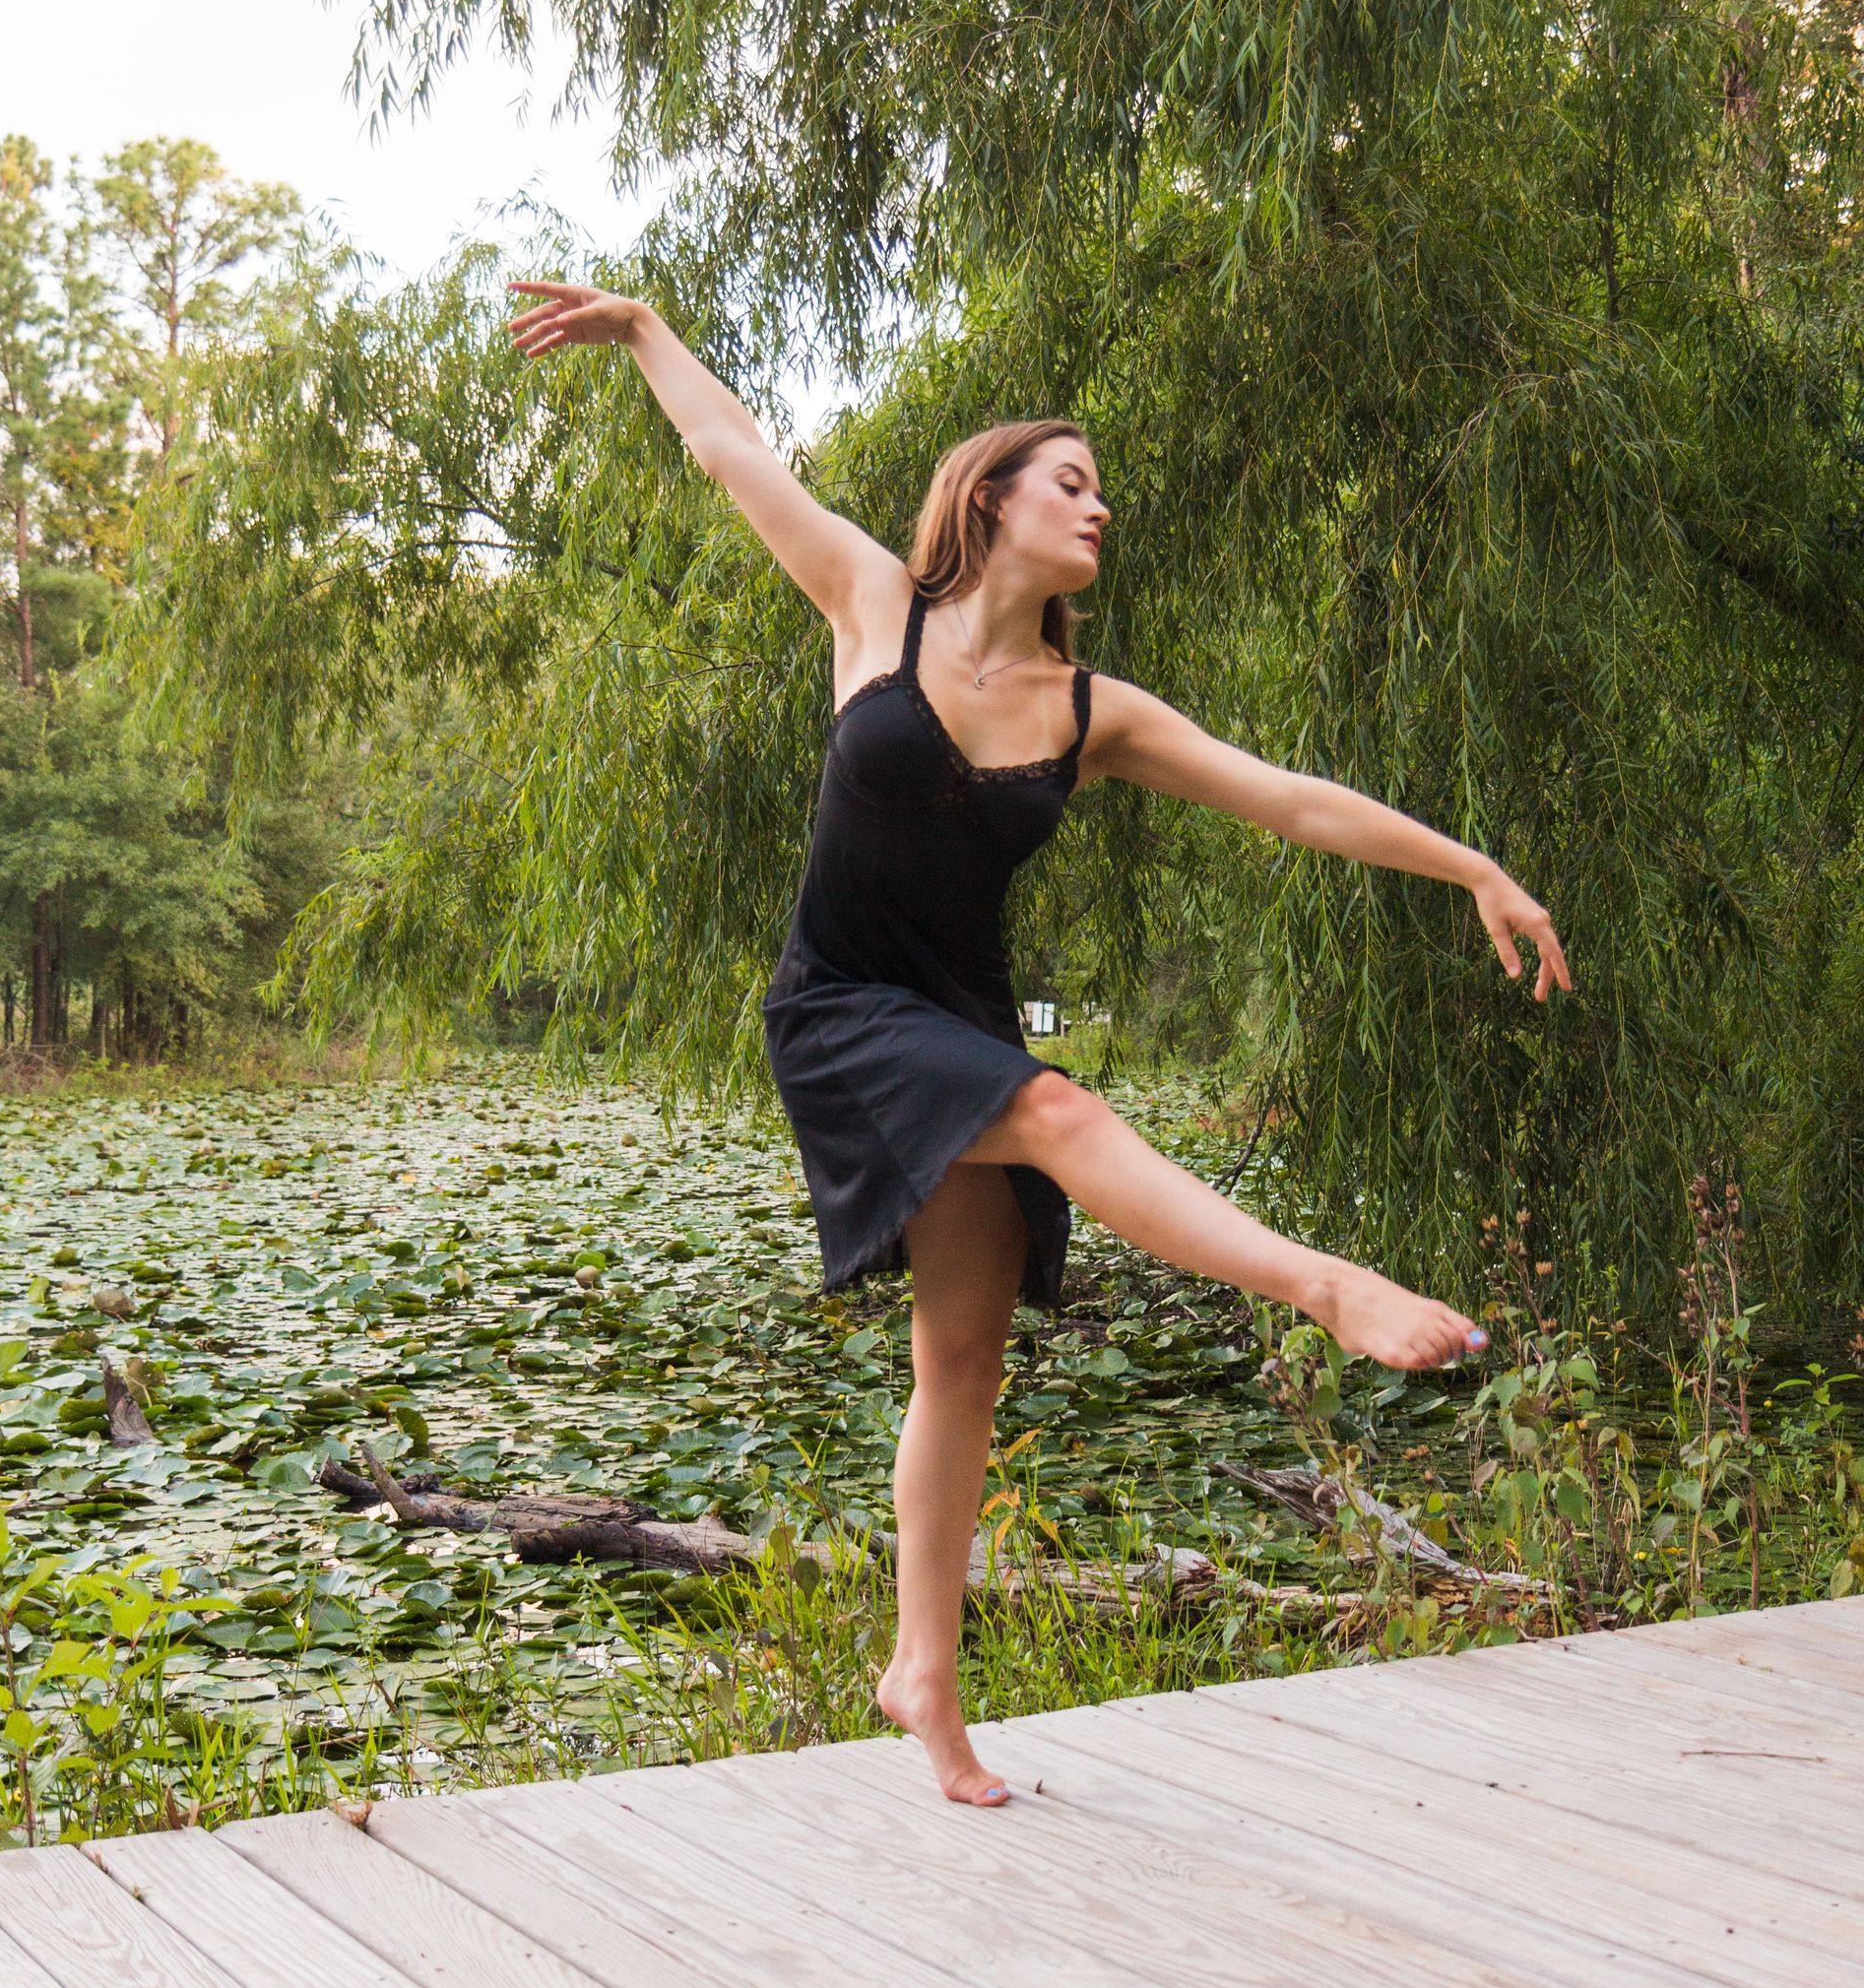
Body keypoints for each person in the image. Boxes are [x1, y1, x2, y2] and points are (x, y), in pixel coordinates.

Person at [509, 282, 1572, 1806]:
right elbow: (740, 454)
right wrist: (647, 331)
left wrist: (1471, 865)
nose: (1100, 507)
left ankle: (919, 1676)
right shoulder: (876, 607)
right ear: (988, 499)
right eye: (1071, 482)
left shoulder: (1093, 713)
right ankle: (1327, 1289)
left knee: (963, 1360)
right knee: (1063, 1111)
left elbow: (1291, 799)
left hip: (954, 1018)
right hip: (835, 1007)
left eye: (1099, 490)